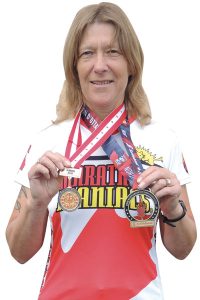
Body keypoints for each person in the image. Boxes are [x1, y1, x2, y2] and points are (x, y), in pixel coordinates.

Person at [6, 2, 197, 300]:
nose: (100, 65)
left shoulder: (163, 140)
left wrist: (173, 208)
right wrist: (36, 204)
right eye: (87, 53)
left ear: (132, 62)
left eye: (113, 51)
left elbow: (184, 250)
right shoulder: (47, 143)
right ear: (74, 67)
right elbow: (18, 253)